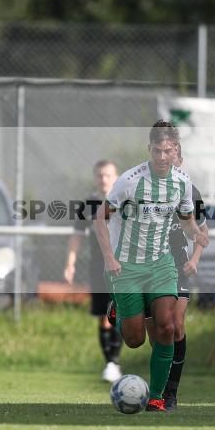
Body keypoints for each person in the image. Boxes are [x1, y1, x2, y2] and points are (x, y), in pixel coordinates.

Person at [94, 121, 209, 413]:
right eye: (157, 150)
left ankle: (157, 397)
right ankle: (118, 312)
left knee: (168, 327)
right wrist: (109, 257)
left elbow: (186, 219)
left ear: (175, 152)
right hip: (128, 267)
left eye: (167, 151)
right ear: (150, 149)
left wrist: (196, 234)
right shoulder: (130, 181)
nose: (161, 157)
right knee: (134, 339)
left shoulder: (182, 183)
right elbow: (100, 217)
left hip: (162, 265)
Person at [146, 144, 208, 411]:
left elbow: (202, 232)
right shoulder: (144, 188)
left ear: (180, 162)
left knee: (175, 326)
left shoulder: (189, 191)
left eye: (173, 158)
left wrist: (194, 259)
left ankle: (169, 393)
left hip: (177, 261)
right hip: (147, 264)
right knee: (154, 335)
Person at [63, 159, 123, 382]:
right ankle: (111, 363)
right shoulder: (88, 204)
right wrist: (70, 263)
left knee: (119, 314)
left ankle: (114, 361)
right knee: (104, 317)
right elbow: (77, 236)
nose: (103, 179)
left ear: (116, 177)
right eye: (100, 175)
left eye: (108, 175)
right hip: (98, 268)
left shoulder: (125, 202)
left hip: (124, 268)